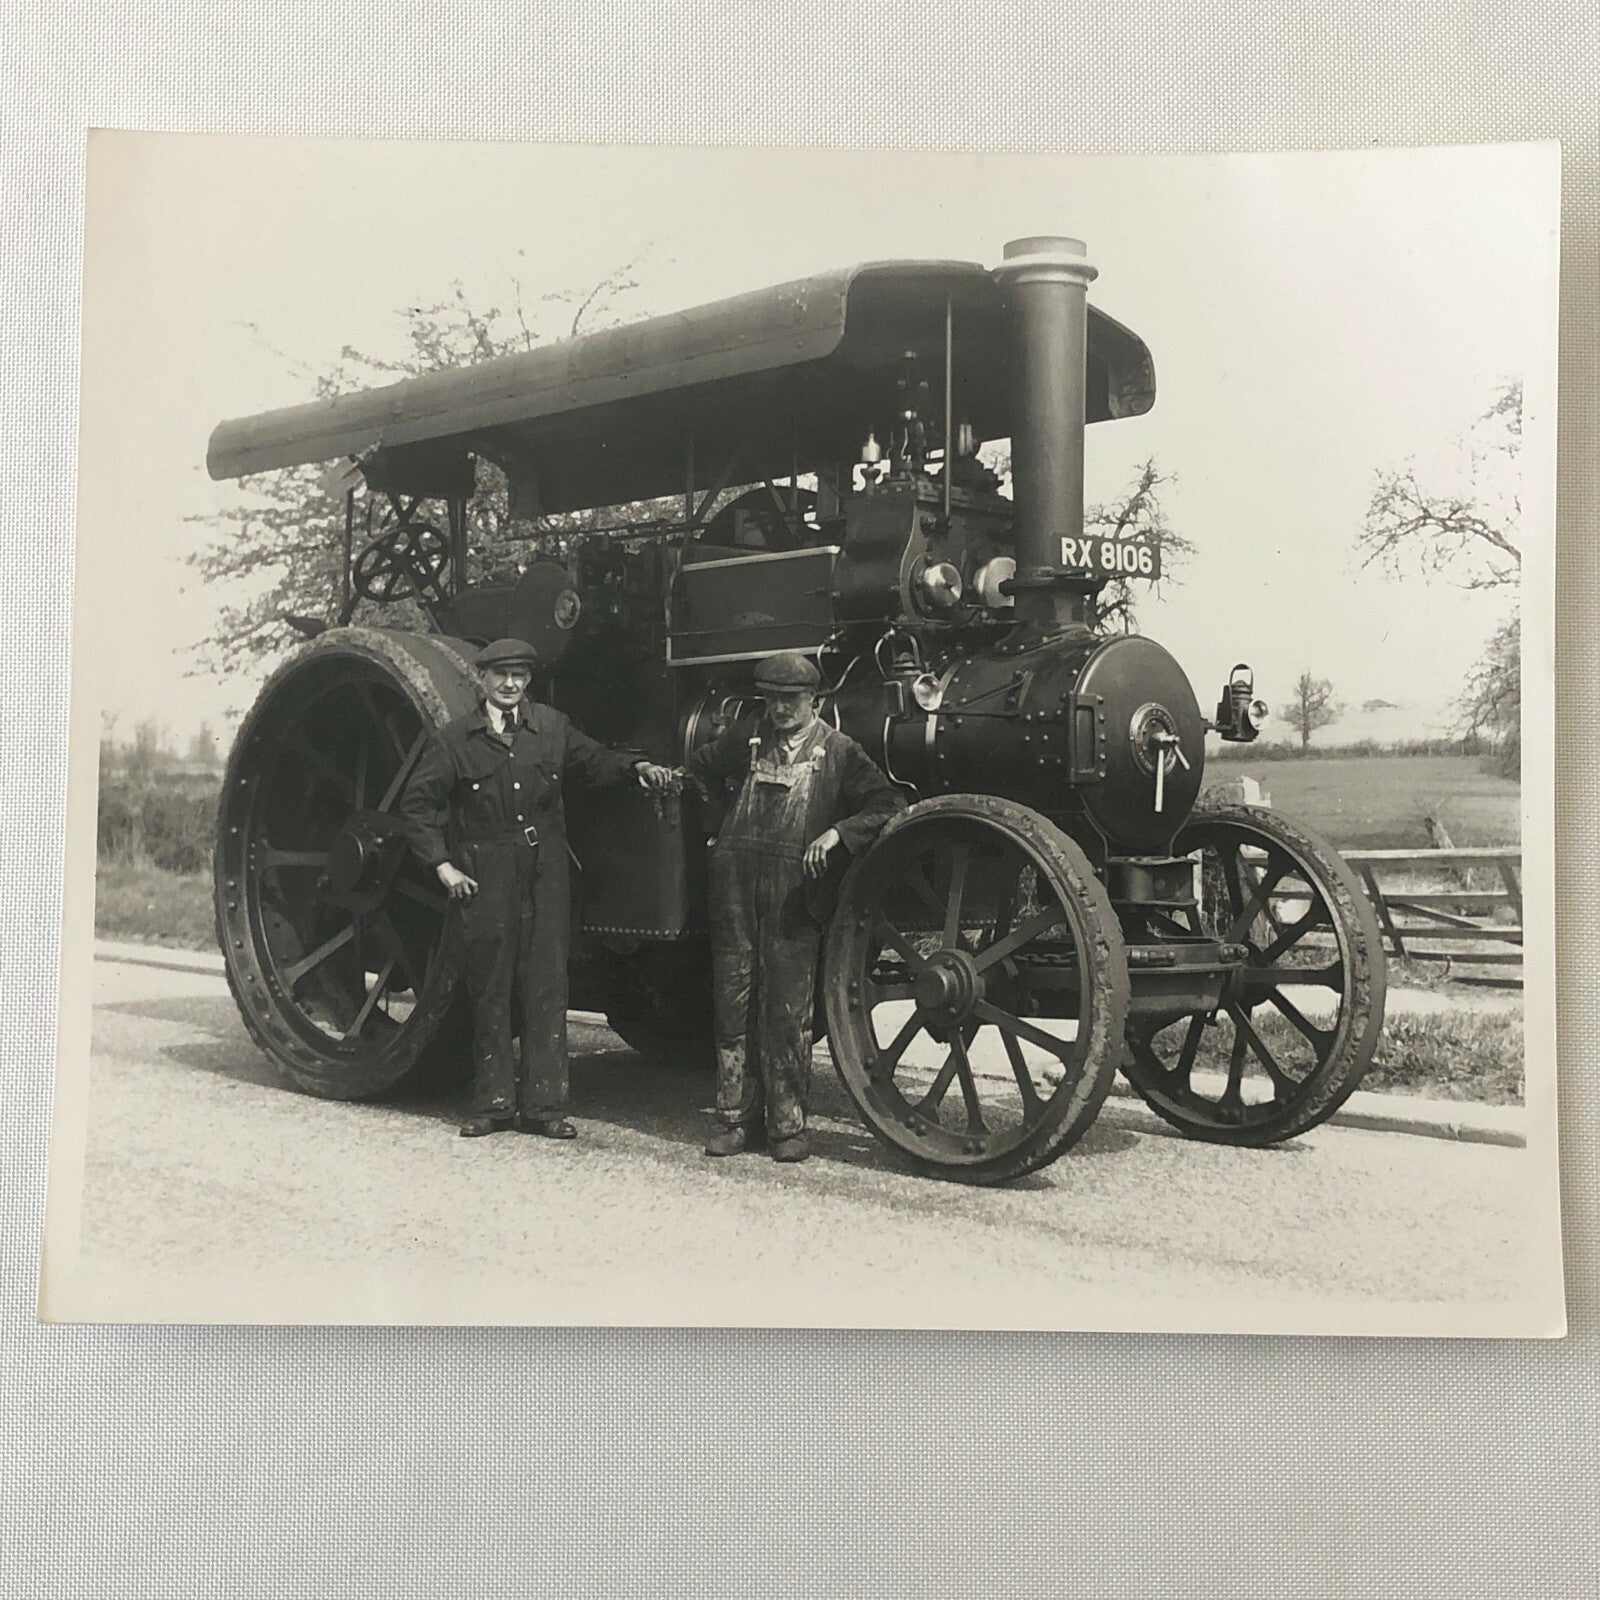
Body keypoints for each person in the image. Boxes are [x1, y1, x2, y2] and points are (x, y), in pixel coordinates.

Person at [399, 638, 677, 1139]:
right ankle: (493, 1104)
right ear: (482, 678)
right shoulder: (455, 739)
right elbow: (417, 809)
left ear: (528, 681)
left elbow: (596, 761)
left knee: (546, 985)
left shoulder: (551, 727)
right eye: (501, 675)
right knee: (491, 986)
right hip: (485, 872)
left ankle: (546, 1108)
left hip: (545, 869)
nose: (510, 685)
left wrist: (636, 768)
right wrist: (443, 868)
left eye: (519, 676)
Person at [687, 651, 905, 1163]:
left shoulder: (840, 751)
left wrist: (837, 833)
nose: (781, 709)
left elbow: (886, 804)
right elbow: (699, 768)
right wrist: (718, 828)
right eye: (773, 699)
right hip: (736, 888)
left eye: (792, 700)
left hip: (795, 895)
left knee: (788, 1011)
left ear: (814, 699)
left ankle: (787, 1127)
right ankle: (734, 1121)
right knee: (734, 1002)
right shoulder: (747, 737)